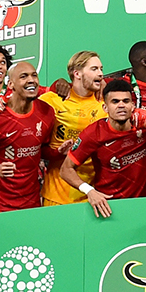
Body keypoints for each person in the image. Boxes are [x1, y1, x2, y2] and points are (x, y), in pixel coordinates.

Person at [61, 78, 146, 217]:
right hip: (109, 208)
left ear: (133, 105)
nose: (121, 105)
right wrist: (89, 191)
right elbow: (65, 170)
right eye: (115, 101)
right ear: (105, 108)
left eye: (125, 101)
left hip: (144, 207)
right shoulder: (94, 133)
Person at [0, 61, 56, 214]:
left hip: (30, 200)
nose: (31, 80)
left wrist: (59, 152)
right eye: (24, 76)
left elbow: (41, 150)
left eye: (34, 76)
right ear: (10, 84)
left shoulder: (47, 113)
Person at [41, 50, 109, 206]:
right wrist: (57, 152)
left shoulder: (105, 104)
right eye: (94, 69)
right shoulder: (51, 100)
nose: (100, 74)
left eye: (101, 69)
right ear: (77, 73)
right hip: (57, 195)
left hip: (94, 195)